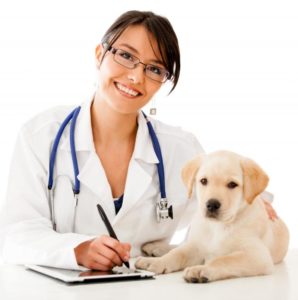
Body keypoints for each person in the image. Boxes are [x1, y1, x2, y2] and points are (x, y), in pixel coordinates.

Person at [0, 10, 276, 272]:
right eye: (125, 55)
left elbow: (231, 199)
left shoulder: (180, 148)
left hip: (150, 289)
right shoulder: (40, 136)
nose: (135, 76)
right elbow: (17, 232)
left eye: (155, 69)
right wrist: (76, 250)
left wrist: (252, 207)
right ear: (99, 54)